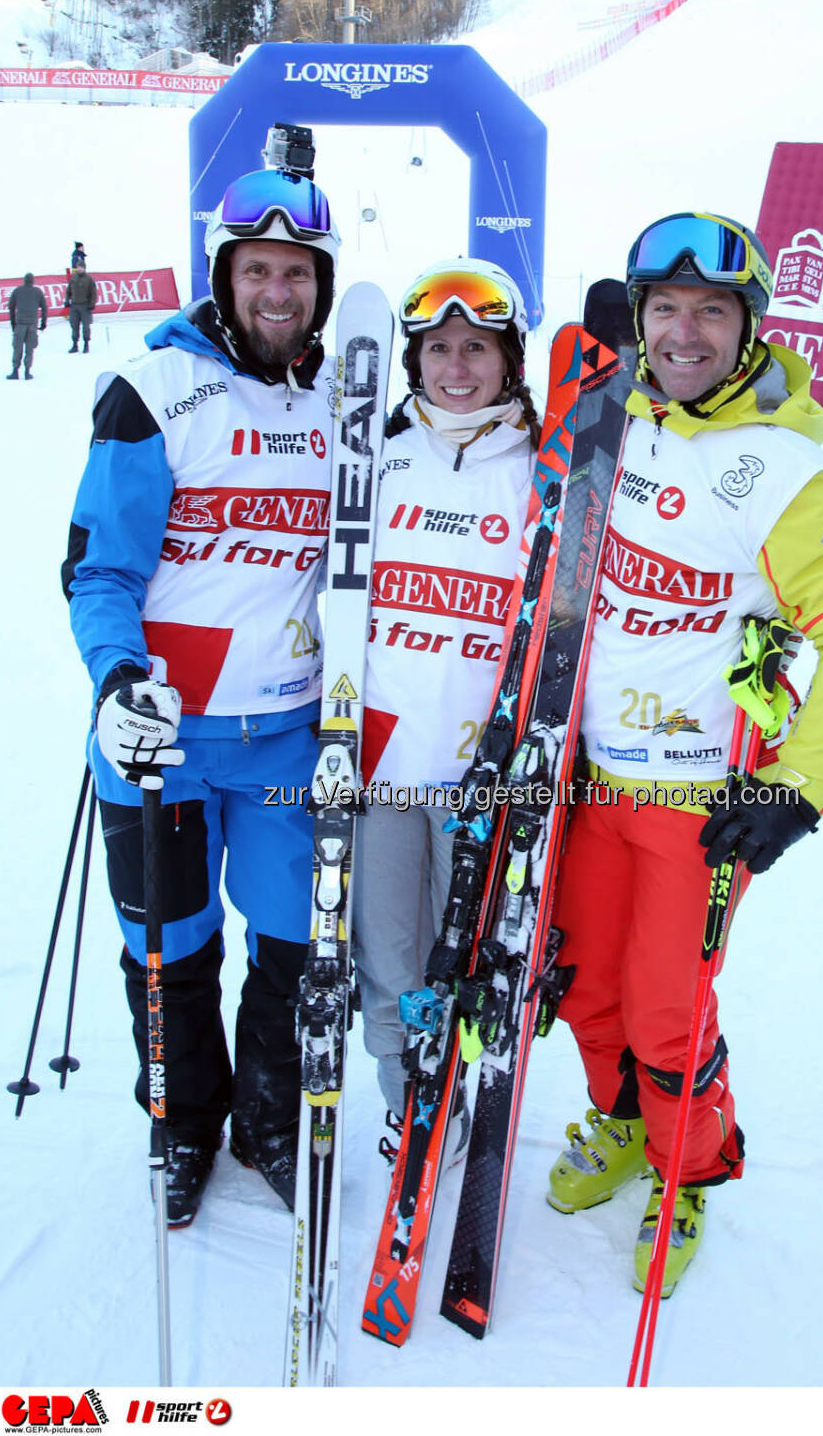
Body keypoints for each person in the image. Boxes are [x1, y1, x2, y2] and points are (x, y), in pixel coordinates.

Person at [545, 212, 823, 1296]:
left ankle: (686, 1165)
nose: (684, 332)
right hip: (588, 781)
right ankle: (620, 1120)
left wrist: (797, 789)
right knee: (578, 988)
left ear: (750, 327)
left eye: (711, 311)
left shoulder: (788, 472)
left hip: (699, 801)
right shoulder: (613, 417)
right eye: (664, 309)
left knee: (665, 1006)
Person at [61, 167, 341, 1227]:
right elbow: (100, 570)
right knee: (168, 954)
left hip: (285, 740)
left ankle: (269, 1120)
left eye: (299, 272)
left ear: (321, 282)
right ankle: (183, 1122)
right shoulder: (153, 390)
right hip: (163, 742)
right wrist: (118, 678)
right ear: (224, 275)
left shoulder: (345, 401)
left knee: (287, 947)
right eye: (258, 269)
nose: (280, 290)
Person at [352, 258, 541, 1161]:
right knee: (385, 948)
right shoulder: (378, 461)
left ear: (509, 359)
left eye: (476, 347)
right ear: (412, 360)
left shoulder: (546, 474)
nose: (455, 367)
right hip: (381, 760)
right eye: (436, 349)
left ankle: (454, 1082)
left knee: (461, 951)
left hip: (481, 767)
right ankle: (404, 1093)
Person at [7, 272, 47, 380]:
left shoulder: (17, 291)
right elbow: (44, 308)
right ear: (33, 281)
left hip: (20, 324)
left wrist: (13, 323)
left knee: (17, 348)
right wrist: (43, 323)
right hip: (32, 324)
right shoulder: (37, 292)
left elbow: (11, 307)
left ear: (24, 280)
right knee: (30, 349)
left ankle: (15, 371)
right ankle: (27, 372)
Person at [65, 260, 97, 353]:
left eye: (80, 267)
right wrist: (67, 300)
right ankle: (75, 345)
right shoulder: (73, 278)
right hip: (74, 306)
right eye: (78, 267)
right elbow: (68, 291)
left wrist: (92, 303)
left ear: (84, 268)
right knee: (74, 326)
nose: (79, 269)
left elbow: (93, 293)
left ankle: (86, 344)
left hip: (85, 306)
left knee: (86, 327)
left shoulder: (89, 279)